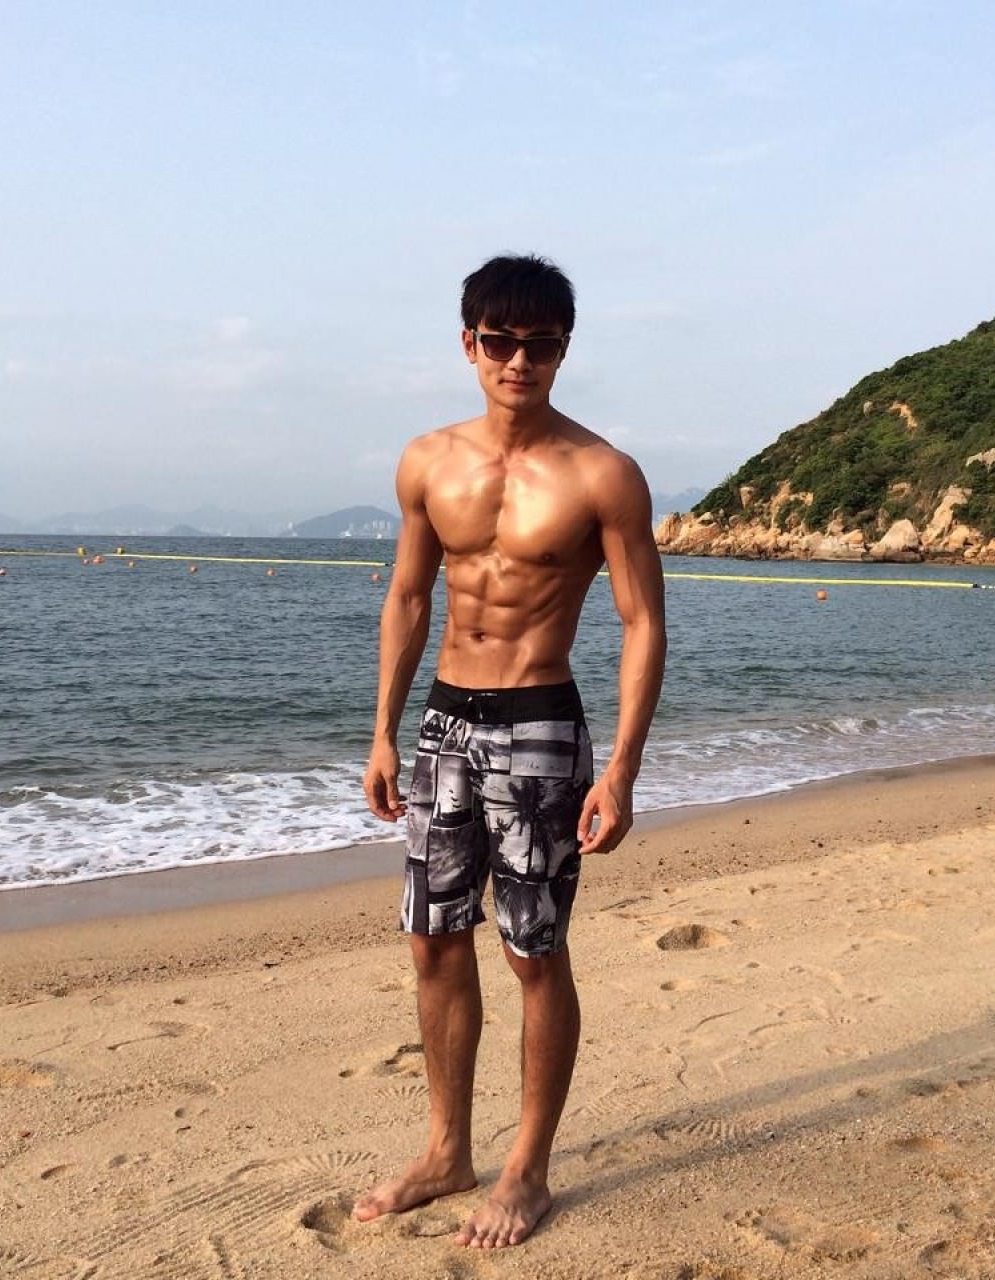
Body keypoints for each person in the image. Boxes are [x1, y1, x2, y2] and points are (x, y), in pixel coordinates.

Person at [356, 254, 666, 1249]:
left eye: (539, 343)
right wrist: (382, 731)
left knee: (531, 948)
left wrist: (620, 768)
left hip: (540, 725)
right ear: (468, 344)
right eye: (499, 340)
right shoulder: (427, 461)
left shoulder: (602, 474)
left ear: (563, 349)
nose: (517, 360)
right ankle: (446, 1150)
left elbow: (641, 621)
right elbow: (410, 596)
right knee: (432, 938)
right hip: (444, 723)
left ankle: (526, 1168)